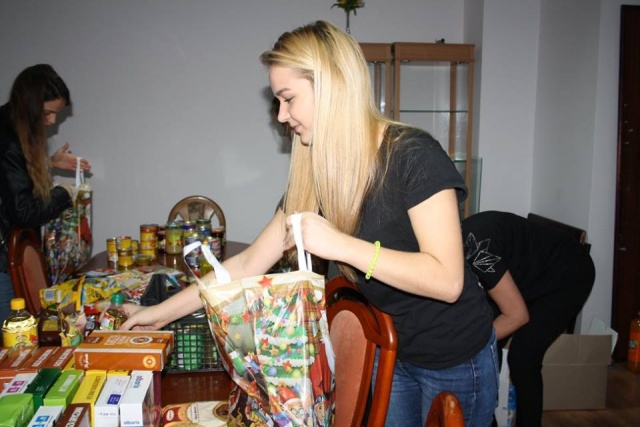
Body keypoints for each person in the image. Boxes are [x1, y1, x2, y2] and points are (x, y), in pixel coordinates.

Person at [121, 21, 498, 426]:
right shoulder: (319, 174)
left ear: (332, 86)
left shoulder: (413, 155)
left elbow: (447, 280)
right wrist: (160, 314)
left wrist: (341, 245)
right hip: (391, 350)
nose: (282, 116)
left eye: (288, 99)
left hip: (454, 356)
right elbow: (246, 264)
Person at [461, 210, 595, 427]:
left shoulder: (477, 253)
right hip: (522, 277)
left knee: (522, 358)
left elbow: (518, 316)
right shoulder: (457, 248)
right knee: (488, 348)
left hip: (567, 276)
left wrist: (468, 345)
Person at [0, 64, 91, 325]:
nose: (51, 122)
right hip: (3, 259)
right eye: (47, 113)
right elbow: (24, 211)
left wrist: (49, 164)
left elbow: (8, 180)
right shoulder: (7, 140)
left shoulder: (9, 126)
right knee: (13, 336)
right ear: (29, 105)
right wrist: (64, 193)